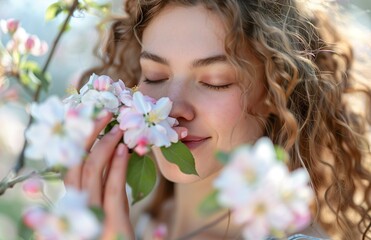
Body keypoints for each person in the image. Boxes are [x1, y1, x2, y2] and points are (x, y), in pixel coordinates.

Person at [65, 0, 371, 239]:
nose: (172, 107)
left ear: (276, 90)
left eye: (215, 81)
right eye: (154, 76)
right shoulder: (126, 219)